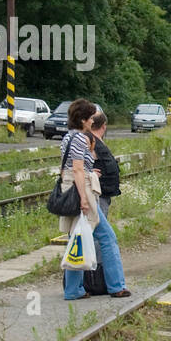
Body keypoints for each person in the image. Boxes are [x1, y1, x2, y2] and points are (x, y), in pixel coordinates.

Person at [58, 99, 129, 300]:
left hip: (69, 188)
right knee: (108, 238)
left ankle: (73, 290)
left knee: (77, 239)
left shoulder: (67, 138)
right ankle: (116, 286)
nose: (92, 122)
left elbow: (68, 167)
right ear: (82, 120)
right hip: (83, 192)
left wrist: (90, 172)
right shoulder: (82, 138)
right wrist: (84, 197)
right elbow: (78, 169)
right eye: (90, 118)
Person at [88, 109, 121, 215]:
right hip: (97, 194)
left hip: (104, 191)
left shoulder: (96, 140)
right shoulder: (90, 141)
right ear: (104, 125)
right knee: (98, 227)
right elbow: (79, 162)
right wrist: (88, 172)